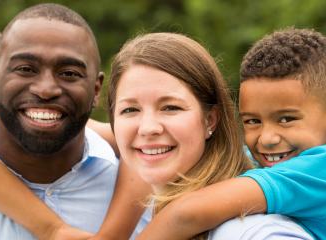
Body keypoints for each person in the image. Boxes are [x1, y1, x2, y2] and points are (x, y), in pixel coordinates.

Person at [0, 3, 144, 239]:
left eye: (69, 73)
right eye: (25, 68)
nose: (45, 90)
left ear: (96, 89)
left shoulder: (152, 194)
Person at [137, 28, 326, 240]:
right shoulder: (294, 158)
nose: (267, 138)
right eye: (253, 121)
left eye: (286, 119)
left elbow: (186, 214)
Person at [108, 32, 314, 239]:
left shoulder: (251, 232)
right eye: (130, 110)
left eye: (170, 107)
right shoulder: (142, 216)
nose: (147, 128)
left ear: (210, 120)